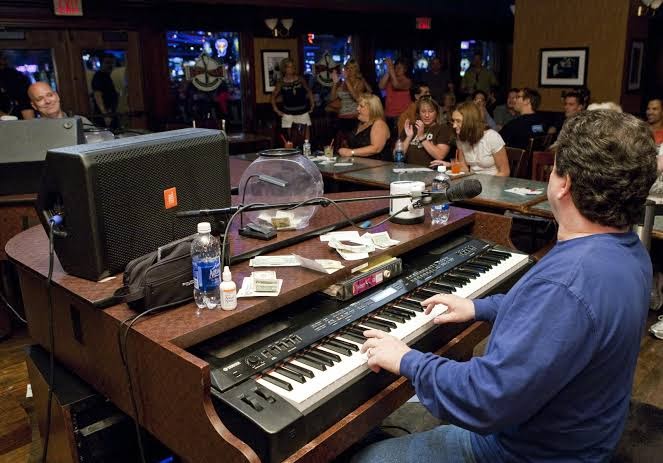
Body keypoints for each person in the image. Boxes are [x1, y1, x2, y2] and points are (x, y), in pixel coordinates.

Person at [352, 109, 658, 463]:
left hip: (524, 452)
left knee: (364, 458)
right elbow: (561, 320)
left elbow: (484, 400)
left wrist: (407, 359)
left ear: (564, 184)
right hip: (583, 431)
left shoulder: (568, 283)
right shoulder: (628, 251)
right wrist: (478, 307)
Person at [432, 101, 509, 176]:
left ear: (470, 121)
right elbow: (464, 168)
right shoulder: (460, 138)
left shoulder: (492, 137)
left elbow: (505, 172)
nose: (454, 125)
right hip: (473, 183)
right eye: (453, 121)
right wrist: (449, 165)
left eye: (458, 121)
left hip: (493, 183)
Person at [271, 57, 315, 143]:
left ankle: (306, 154)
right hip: (288, 114)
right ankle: (294, 155)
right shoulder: (281, 82)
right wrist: (276, 110)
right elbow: (273, 97)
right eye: (289, 67)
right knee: (291, 140)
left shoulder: (300, 79)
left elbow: (309, 91)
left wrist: (312, 104)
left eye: (292, 66)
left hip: (303, 112)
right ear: (284, 68)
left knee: (306, 139)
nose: (291, 69)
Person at [399, 97, 452, 166]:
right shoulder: (411, 127)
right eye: (423, 112)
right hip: (408, 171)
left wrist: (422, 137)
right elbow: (398, 156)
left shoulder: (443, 129)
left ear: (437, 113)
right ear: (418, 113)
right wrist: (408, 137)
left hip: (430, 172)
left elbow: (440, 155)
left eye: (431, 111)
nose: (427, 115)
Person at [338, 93, 390, 159]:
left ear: (371, 109)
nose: (357, 108)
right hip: (360, 163)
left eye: (361, 106)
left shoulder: (379, 124)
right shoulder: (360, 123)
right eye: (358, 105)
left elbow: (376, 148)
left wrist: (352, 152)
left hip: (377, 165)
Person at [331, 59, 372, 133]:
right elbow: (332, 98)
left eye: (352, 68)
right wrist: (334, 83)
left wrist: (346, 80)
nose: (349, 70)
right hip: (342, 117)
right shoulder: (342, 83)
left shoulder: (360, 82)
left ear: (356, 69)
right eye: (347, 68)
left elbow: (356, 97)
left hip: (354, 117)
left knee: (352, 143)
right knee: (341, 143)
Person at [27, 81, 93, 125]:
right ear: (34, 106)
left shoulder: (80, 121)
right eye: (40, 99)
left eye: (50, 95)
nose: (47, 101)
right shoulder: (31, 128)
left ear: (57, 96)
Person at [379, 57, 412, 135]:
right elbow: (381, 86)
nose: (397, 69)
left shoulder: (407, 81)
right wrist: (389, 71)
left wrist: (391, 68)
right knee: (390, 141)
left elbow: (396, 85)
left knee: (401, 141)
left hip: (401, 115)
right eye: (396, 67)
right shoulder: (390, 79)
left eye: (400, 68)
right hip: (388, 114)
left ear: (405, 70)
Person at [0, 52, 34, 120]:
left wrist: (30, 125)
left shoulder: (17, 76)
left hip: (17, 119)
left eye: (4, 58)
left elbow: (26, 104)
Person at [92, 54, 119, 128]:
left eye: (112, 63)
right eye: (107, 63)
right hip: (104, 116)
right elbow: (97, 95)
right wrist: (105, 115)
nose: (110, 65)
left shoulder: (107, 77)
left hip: (109, 114)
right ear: (101, 63)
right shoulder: (99, 76)